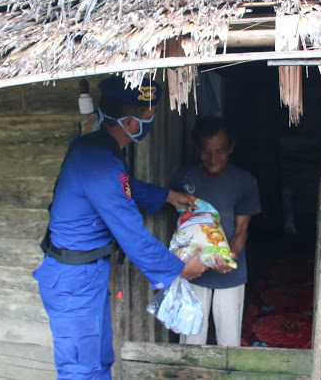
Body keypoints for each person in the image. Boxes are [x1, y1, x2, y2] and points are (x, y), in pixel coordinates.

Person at [32, 75, 208, 379]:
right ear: (129, 122)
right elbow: (133, 236)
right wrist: (179, 269)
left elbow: (121, 188)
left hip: (86, 273)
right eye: (149, 116)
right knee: (80, 370)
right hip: (73, 280)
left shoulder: (97, 147)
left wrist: (167, 196)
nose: (151, 121)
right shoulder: (99, 160)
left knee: (100, 360)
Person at [171, 116, 261, 346]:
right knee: (191, 342)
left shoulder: (244, 182)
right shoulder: (184, 178)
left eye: (220, 151)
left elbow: (241, 231)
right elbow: (181, 227)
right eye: (206, 151)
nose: (213, 159)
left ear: (230, 148)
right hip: (193, 272)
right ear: (197, 148)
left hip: (230, 273)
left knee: (229, 344)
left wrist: (228, 257)